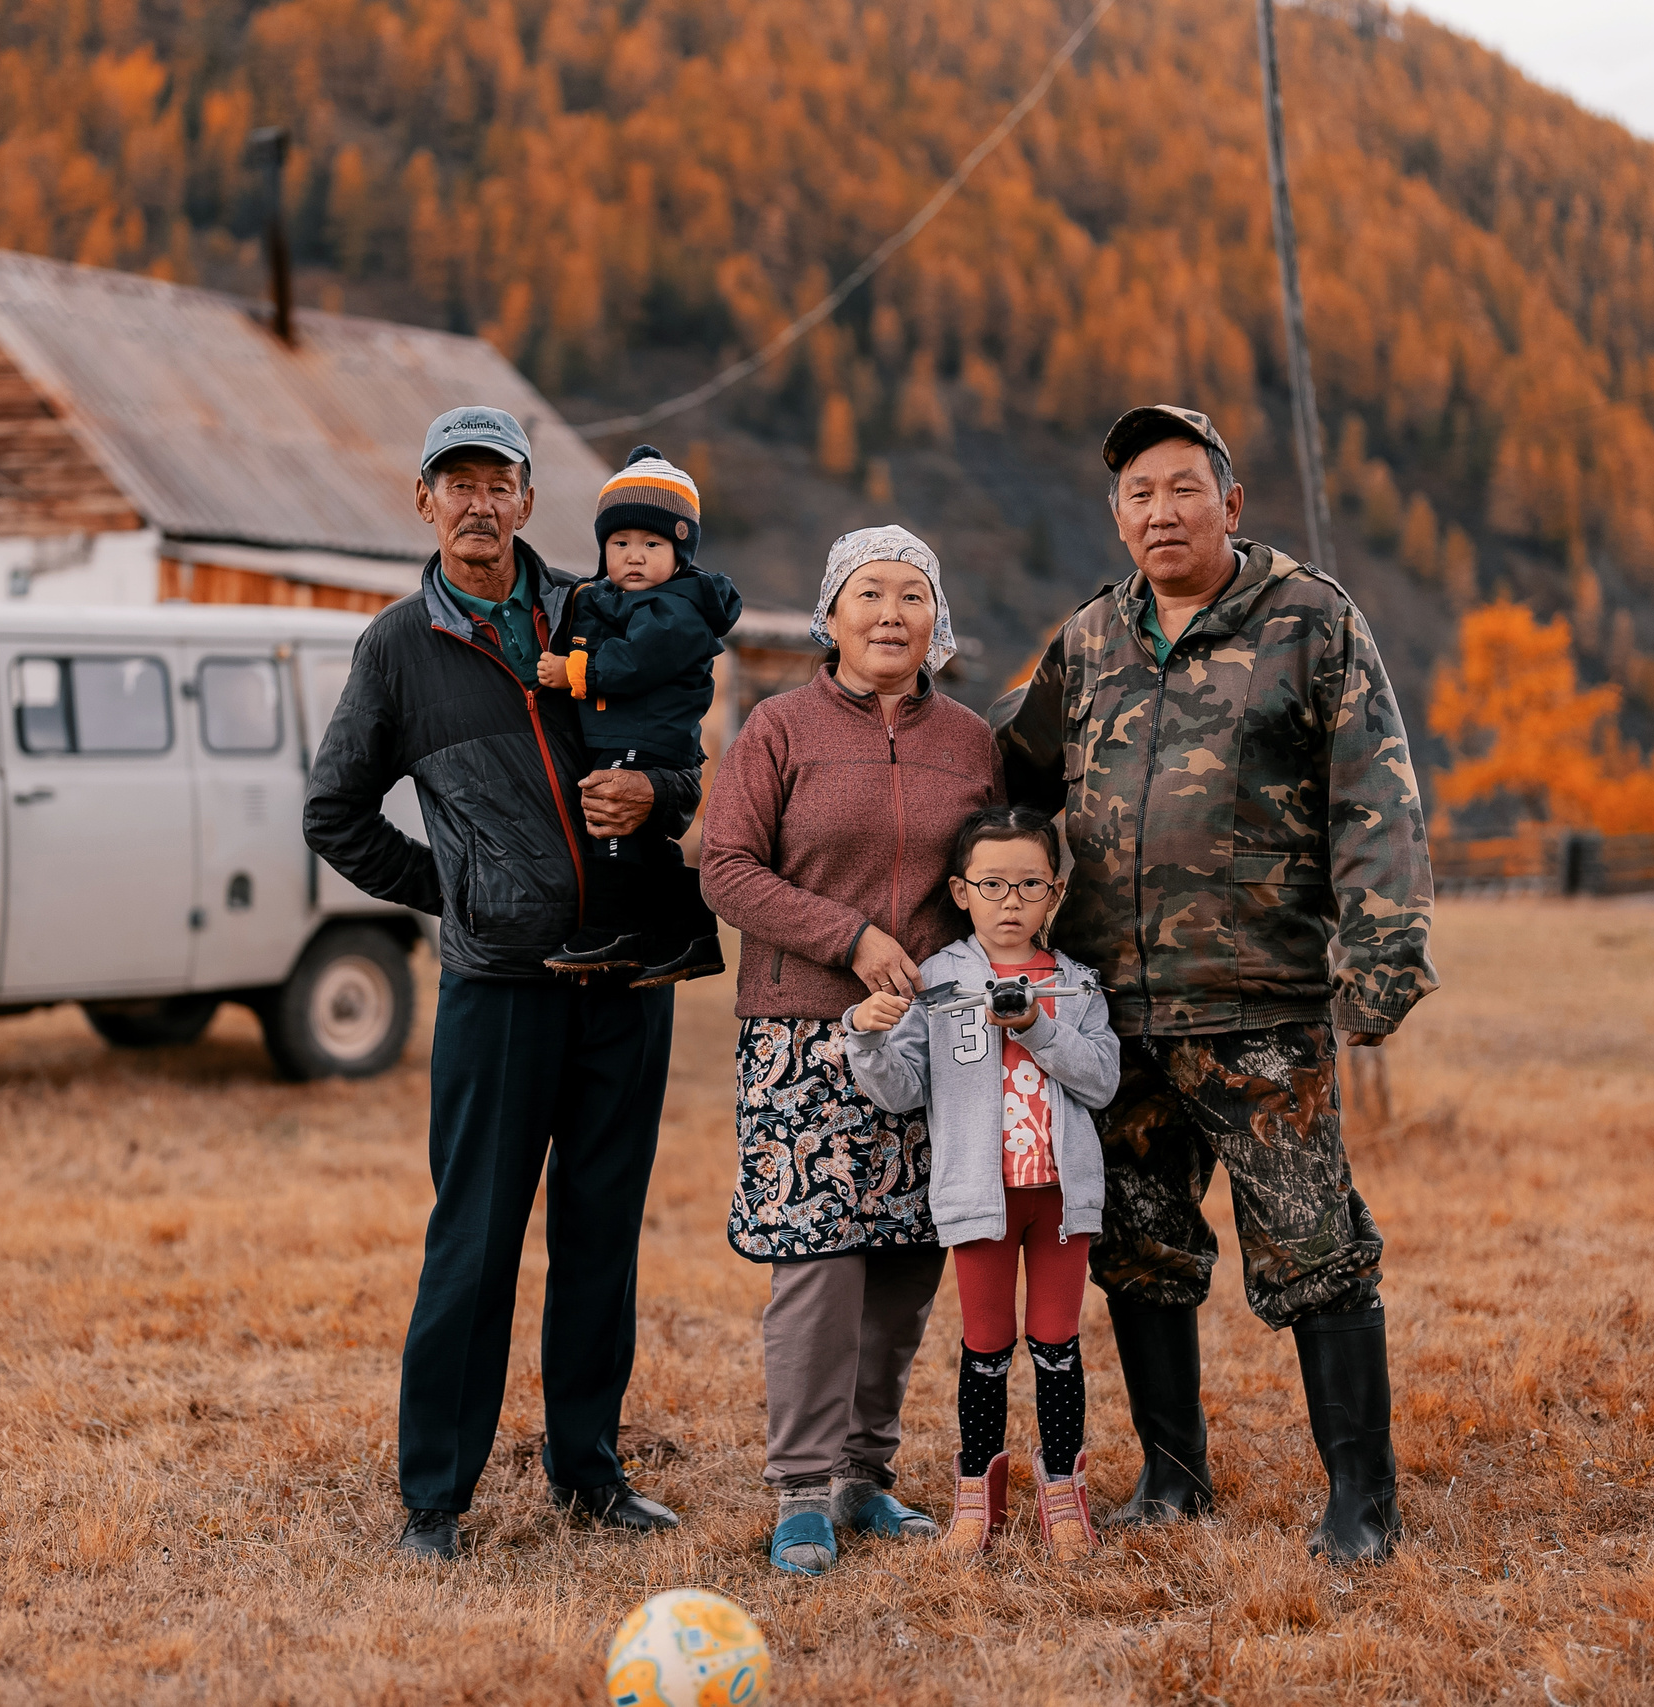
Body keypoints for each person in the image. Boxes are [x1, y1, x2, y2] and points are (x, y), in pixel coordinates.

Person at [991, 404, 1438, 1564]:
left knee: (1314, 1245)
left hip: (1261, 1003)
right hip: (1112, 1016)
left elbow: (1374, 796)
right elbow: (1001, 773)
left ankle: (1360, 1502)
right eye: (1137, 494)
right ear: (1116, 516)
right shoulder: (1088, 639)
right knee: (1139, 1241)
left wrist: (1386, 955)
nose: (1159, 512)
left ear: (1229, 505)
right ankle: (1173, 1479)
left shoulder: (1309, 623)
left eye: (1181, 488)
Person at [304, 405, 706, 1563]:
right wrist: (463, 891)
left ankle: (589, 1475)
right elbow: (332, 812)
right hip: (501, 987)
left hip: (628, 976)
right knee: (473, 1242)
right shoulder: (397, 648)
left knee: (599, 1240)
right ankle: (435, 1499)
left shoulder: (602, 612)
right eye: (456, 483)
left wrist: (661, 800)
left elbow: (680, 750)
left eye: (499, 482)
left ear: (530, 501)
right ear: (422, 502)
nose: (478, 502)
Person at [698, 525, 1001, 1576]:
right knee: (815, 1262)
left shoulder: (970, 741)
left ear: (936, 621)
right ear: (830, 616)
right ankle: (800, 1491)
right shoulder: (778, 729)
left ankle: (866, 1476)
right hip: (801, 1035)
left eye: (911, 596)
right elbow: (726, 869)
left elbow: (993, 873)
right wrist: (851, 938)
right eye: (868, 594)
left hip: (935, 1035)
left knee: (908, 1261)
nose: (889, 614)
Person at [842, 804, 1121, 1562]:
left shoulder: (1076, 982)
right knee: (987, 1346)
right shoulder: (937, 981)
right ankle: (979, 1494)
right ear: (961, 891)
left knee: (1058, 1345)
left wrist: (1036, 1024)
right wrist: (863, 1033)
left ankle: (1062, 1490)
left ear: (1055, 893)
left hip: (1062, 1202)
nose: (1010, 901)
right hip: (979, 1198)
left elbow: (1101, 1081)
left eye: (1029, 883)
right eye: (992, 883)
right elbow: (901, 1088)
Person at [537, 445, 741, 985]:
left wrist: (573, 671)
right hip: (633, 731)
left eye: (652, 544)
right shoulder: (616, 597)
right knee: (643, 844)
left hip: (646, 735)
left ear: (680, 554)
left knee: (608, 822)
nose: (633, 555)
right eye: (619, 542)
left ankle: (613, 928)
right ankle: (688, 935)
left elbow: (635, 662)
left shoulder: (676, 608)